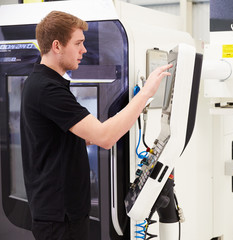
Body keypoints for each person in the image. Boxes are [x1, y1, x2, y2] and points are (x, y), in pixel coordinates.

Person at [20, 10, 172, 240]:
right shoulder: (47, 89)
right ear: (57, 46)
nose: (84, 50)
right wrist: (147, 94)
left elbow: (88, 136)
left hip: (64, 213)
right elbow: (104, 138)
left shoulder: (48, 83)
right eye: (78, 43)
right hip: (59, 220)